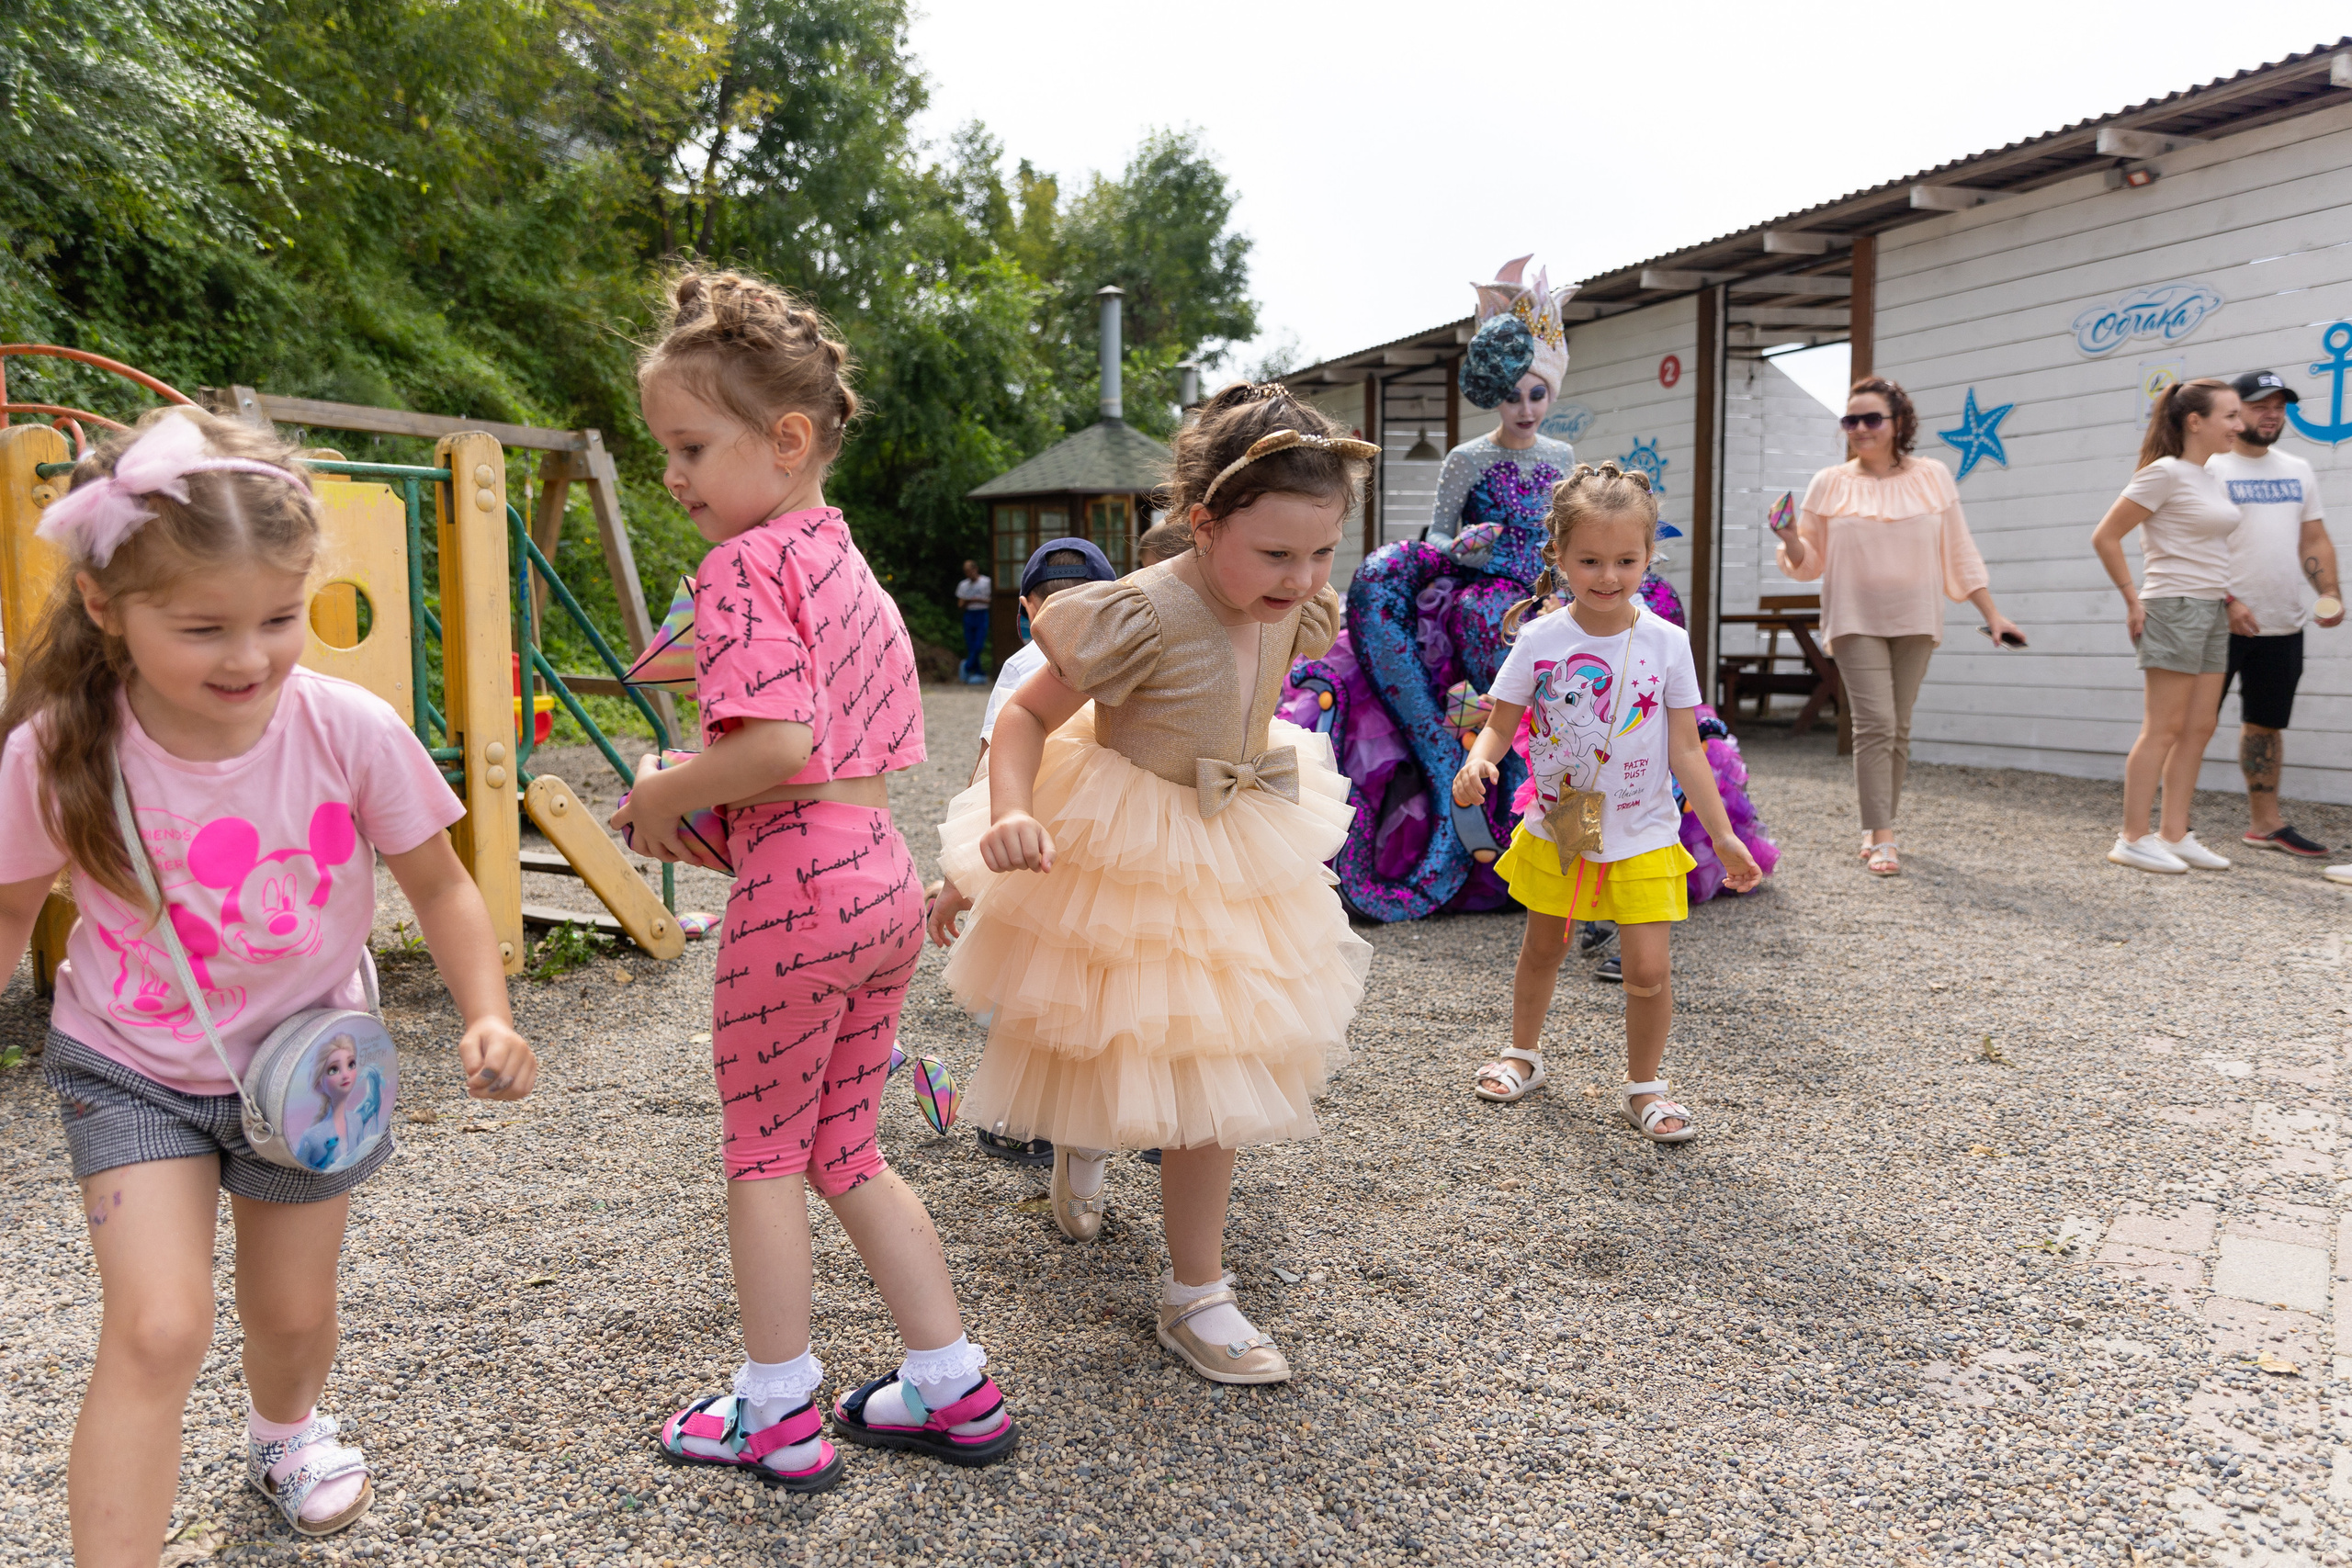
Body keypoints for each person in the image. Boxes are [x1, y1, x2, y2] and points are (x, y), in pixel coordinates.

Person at [0, 407, 538, 1561]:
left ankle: (285, 1430)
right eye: (203, 628)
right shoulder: (56, 752)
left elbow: (441, 888)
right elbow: (7, 909)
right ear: (106, 607)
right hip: (129, 1067)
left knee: (289, 1314)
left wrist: (486, 1010)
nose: (249, 658)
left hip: (311, 1070)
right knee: (156, 1328)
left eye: (280, 619)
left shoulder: (349, 727)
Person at [615, 270, 1016, 1488]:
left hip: (797, 891)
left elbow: (776, 744)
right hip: (878, 873)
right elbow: (841, 745)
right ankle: (951, 1381)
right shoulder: (842, 558)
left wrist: (659, 798)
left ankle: (776, 1405)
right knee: (846, 1143)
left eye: (690, 446)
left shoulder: (741, 568)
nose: (673, 475)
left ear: (787, 439)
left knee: (762, 1153)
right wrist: (717, 804)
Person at [935, 383, 1374, 1383]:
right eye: (1275, 555)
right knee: (1111, 1031)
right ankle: (1092, 1158)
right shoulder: (1140, 611)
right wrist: (1011, 810)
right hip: (1130, 837)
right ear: (1203, 520)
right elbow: (1023, 719)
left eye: (1321, 554)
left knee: (1215, 1053)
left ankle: (1193, 1292)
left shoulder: (1289, 602)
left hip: (1233, 833)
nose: (1302, 578)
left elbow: (1266, 669)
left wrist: (1289, 588)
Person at [1453, 462, 1762, 1139]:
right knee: (1542, 948)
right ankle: (1522, 1054)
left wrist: (1723, 834)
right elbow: (1501, 722)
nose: (1607, 575)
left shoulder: (1666, 641)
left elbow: (1686, 747)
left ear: (1650, 556)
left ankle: (1646, 1086)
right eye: (1589, 559)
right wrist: (1479, 761)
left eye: (1626, 559)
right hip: (1562, 821)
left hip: (1645, 827)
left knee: (1648, 968)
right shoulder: (1539, 640)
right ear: (1557, 555)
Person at [1770, 377, 2022, 877]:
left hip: (1917, 617)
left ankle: (1877, 824)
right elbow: (1808, 561)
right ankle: (1883, 836)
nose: (1860, 429)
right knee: (1876, 724)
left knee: (1899, 727)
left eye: (1871, 419)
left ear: (1898, 423)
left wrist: (1992, 614)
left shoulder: (1933, 476)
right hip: (1853, 617)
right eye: (1851, 421)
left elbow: (1959, 550)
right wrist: (1788, 536)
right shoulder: (1829, 482)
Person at [933, 536, 1119, 1166]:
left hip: (1038, 838)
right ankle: (1150, 1121)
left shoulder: (1022, 664)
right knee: (1124, 977)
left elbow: (988, 767)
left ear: (1021, 607)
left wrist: (961, 872)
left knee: (1031, 982)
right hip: (1116, 840)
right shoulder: (1128, 649)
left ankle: (1025, 1117)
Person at [2091, 378, 2246, 874]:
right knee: (2163, 727)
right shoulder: (2164, 473)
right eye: (2230, 416)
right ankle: (2133, 837)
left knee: (2200, 726)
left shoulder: (2210, 474)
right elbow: (2106, 536)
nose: (2239, 426)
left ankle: (2175, 834)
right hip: (2174, 607)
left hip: (2210, 609)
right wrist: (2133, 601)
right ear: (2195, 421)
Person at [2210, 368, 2342, 857]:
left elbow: (2314, 538)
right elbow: (2189, 544)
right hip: (2213, 622)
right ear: (2234, 410)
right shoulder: (2209, 467)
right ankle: (2165, 830)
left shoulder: (2297, 468)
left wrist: (2329, 592)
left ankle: (2265, 826)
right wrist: (2228, 601)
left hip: (2281, 621)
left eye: (2279, 406)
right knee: (2187, 725)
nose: (2271, 414)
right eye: (2260, 405)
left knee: (2266, 724)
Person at [956, 559, 993, 683]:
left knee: (979, 644)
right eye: (966, 572)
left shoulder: (986, 582)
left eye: (970, 571)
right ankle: (978, 672)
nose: (968, 574)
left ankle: (967, 666)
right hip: (969, 614)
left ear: (975, 569)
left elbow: (991, 600)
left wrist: (978, 600)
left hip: (981, 613)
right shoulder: (963, 585)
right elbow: (960, 604)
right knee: (970, 644)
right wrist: (968, 601)